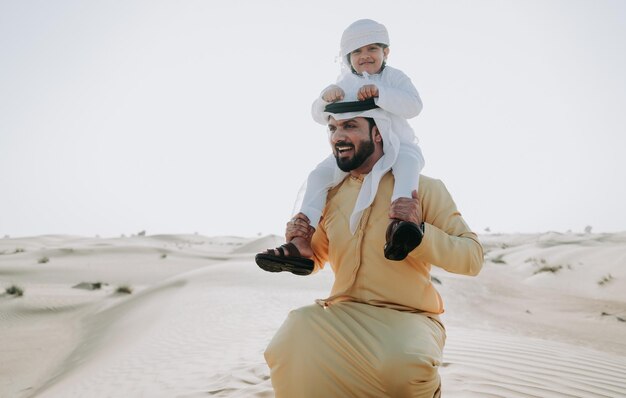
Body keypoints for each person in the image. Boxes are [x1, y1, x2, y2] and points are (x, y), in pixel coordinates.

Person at [261, 92, 484, 397]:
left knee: (403, 365)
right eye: (333, 128)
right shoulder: (331, 195)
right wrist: (300, 247)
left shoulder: (422, 189)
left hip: (410, 316)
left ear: (378, 133)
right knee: (292, 336)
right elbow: (318, 259)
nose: (338, 136)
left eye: (350, 126)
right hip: (344, 314)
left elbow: (472, 259)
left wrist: (419, 232)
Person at [256, 19, 425, 274]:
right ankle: (301, 239)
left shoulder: (395, 78)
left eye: (371, 49)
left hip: (397, 144)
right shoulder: (343, 83)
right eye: (357, 52)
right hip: (355, 151)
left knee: (409, 165)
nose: (365, 56)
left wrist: (380, 92)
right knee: (319, 175)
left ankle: (400, 227)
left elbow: (414, 106)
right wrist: (326, 97)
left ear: (385, 52)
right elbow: (318, 114)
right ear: (347, 57)